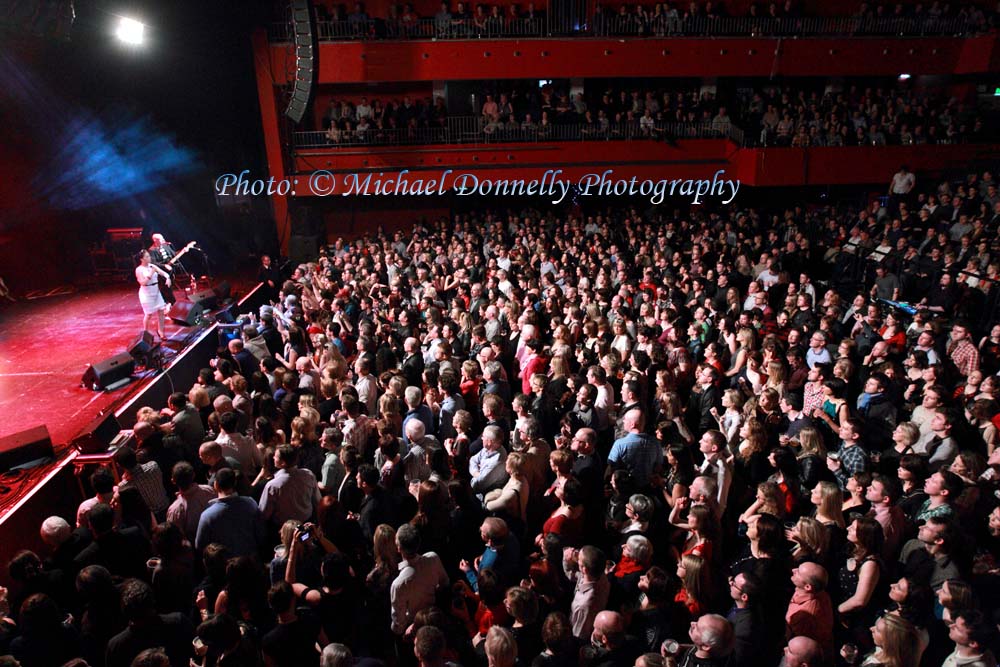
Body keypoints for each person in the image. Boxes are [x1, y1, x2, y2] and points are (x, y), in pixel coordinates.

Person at [135, 250, 171, 339]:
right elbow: (142, 282)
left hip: (156, 292)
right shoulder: (139, 270)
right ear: (142, 259)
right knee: (149, 314)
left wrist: (168, 278)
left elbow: (164, 273)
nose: (149, 258)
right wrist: (150, 274)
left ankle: (161, 331)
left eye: (149, 256)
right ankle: (145, 334)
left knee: (161, 311)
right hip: (147, 294)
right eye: (147, 257)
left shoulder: (152, 266)